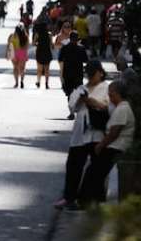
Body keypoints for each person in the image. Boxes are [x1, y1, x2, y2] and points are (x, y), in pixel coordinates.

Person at [53, 61, 110, 211]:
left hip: (98, 133)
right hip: (80, 133)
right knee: (73, 166)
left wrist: (89, 101)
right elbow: (72, 107)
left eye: (94, 73)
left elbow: (106, 106)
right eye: (89, 74)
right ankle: (69, 197)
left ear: (101, 73)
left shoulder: (107, 88)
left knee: (97, 168)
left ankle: (94, 198)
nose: (91, 77)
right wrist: (80, 98)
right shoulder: (81, 89)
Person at [79, 80, 135, 205]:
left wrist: (101, 145)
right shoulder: (119, 107)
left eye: (111, 94)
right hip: (113, 145)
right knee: (95, 171)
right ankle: (95, 199)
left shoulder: (123, 108)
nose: (109, 97)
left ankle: (87, 200)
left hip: (116, 146)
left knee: (94, 171)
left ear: (117, 94)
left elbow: (114, 133)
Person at [58, 31, 89, 119]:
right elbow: (86, 60)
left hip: (67, 74)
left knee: (70, 93)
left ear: (70, 38)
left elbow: (60, 59)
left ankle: (71, 112)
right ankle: (77, 111)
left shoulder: (65, 48)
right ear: (77, 39)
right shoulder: (81, 48)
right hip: (78, 74)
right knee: (78, 93)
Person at [33, 19, 53, 89]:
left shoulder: (37, 34)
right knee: (47, 69)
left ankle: (38, 82)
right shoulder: (49, 34)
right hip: (47, 52)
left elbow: (33, 43)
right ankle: (47, 83)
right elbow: (52, 45)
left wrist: (38, 44)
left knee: (39, 69)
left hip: (40, 52)